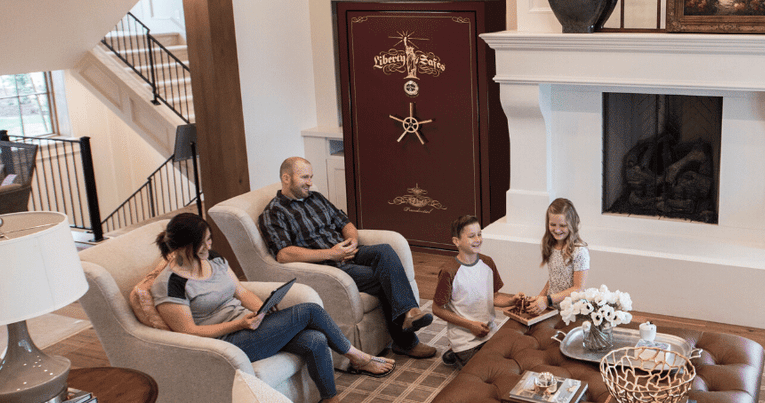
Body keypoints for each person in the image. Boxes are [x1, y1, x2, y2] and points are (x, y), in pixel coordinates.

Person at [152, 214, 393, 403]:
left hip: (248, 325)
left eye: (209, 238)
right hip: (226, 342)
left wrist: (263, 310)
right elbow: (188, 331)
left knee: (315, 339)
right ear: (186, 245)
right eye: (203, 241)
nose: (210, 244)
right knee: (309, 310)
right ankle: (356, 357)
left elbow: (241, 292)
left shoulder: (212, 258)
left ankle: (331, 399)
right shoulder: (170, 284)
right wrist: (240, 324)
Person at [258, 156, 437, 359]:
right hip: (330, 265)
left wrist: (351, 240)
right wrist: (332, 253)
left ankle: (411, 313)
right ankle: (406, 341)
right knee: (384, 276)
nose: (310, 182)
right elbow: (283, 254)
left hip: (348, 252)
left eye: (311, 177)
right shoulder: (273, 213)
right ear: (286, 178)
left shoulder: (316, 198)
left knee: (385, 250)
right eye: (304, 177)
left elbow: (345, 222)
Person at [431, 215, 524, 369]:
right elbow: (437, 309)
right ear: (456, 241)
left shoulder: (487, 262)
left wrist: (512, 300)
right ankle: (457, 352)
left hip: (489, 332)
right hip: (465, 340)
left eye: (479, 234)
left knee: (513, 358)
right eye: (471, 236)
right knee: (487, 370)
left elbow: (494, 297)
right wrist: (470, 325)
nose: (478, 239)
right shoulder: (449, 271)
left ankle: (455, 355)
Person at [523, 198, 590, 315]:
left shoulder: (579, 251)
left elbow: (578, 288)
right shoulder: (551, 245)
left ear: (572, 225)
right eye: (552, 224)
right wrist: (539, 298)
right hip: (552, 307)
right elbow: (554, 279)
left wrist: (547, 300)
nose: (557, 230)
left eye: (563, 225)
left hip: (571, 310)